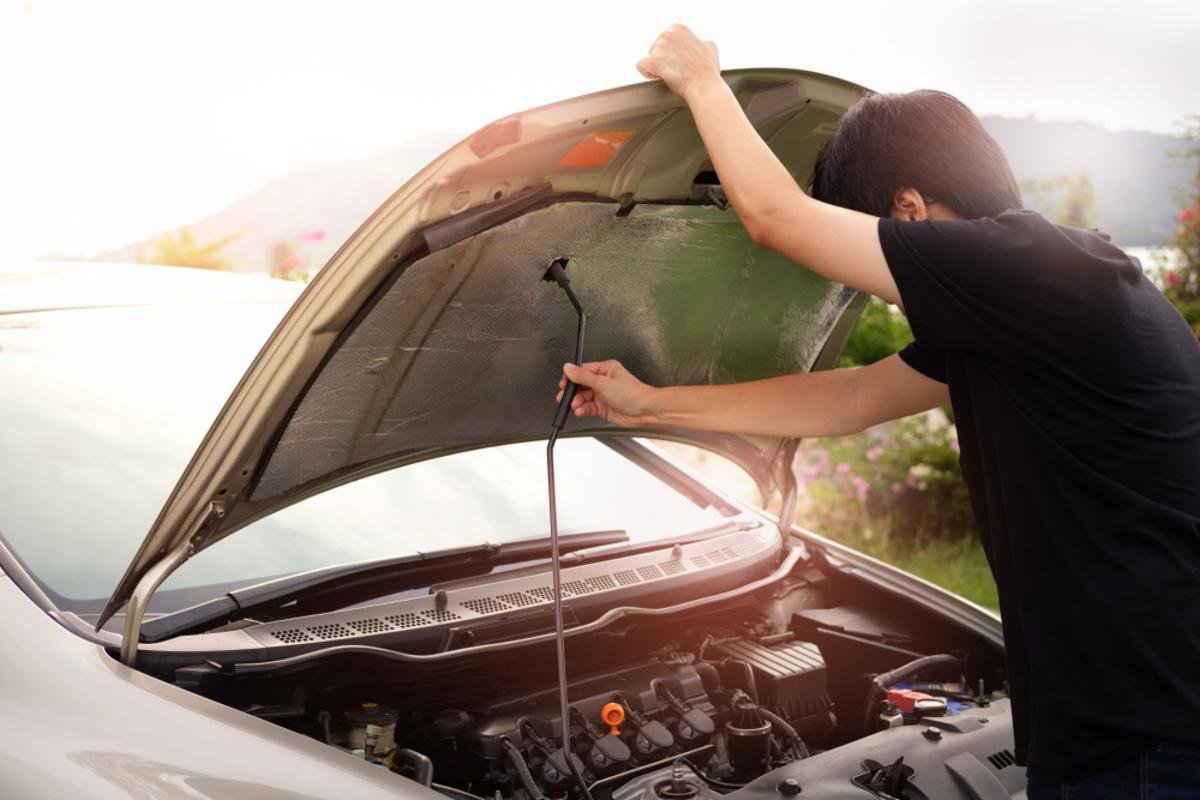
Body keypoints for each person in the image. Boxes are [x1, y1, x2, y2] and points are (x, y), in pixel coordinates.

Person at [556, 24, 1200, 799]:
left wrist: (701, 82)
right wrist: (649, 402)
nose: (878, 287)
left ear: (908, 210)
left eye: (876, 256)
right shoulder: (1031, 302)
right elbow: (853, 396)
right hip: (1134, 717)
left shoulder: (1031, 269)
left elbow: (776, 218)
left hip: (1147, 733)